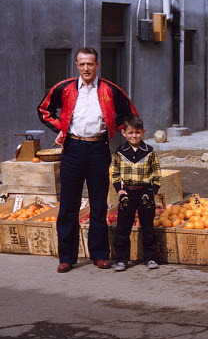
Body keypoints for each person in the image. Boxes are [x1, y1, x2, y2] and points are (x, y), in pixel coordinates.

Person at [38, 47, 138, 273]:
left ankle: (100, 255)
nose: (86, 68)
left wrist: (117, 130)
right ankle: (66, 258)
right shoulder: (63, 88)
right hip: (72, 148)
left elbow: (130, 114)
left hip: (98, 148)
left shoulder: (110, 90)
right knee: (68, 206)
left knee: (98, 204)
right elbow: (44, 109)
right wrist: (60, 128)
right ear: (76, 66)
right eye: (82, 64)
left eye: (90, 64)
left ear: (97, 65)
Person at [110, 115, 161, 271]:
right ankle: (121, 259)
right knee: (123, 228)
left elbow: (157, 175)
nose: (134, 136)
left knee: (148, 227)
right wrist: (120, 191)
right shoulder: (120, 152)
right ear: (124, 133)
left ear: (143, 132)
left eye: (137, 132)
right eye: (130, 133)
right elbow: (115, 173)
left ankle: (150, 257)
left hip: (145, 193)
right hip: (127, 193)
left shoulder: (150, 152)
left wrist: (152, 192)